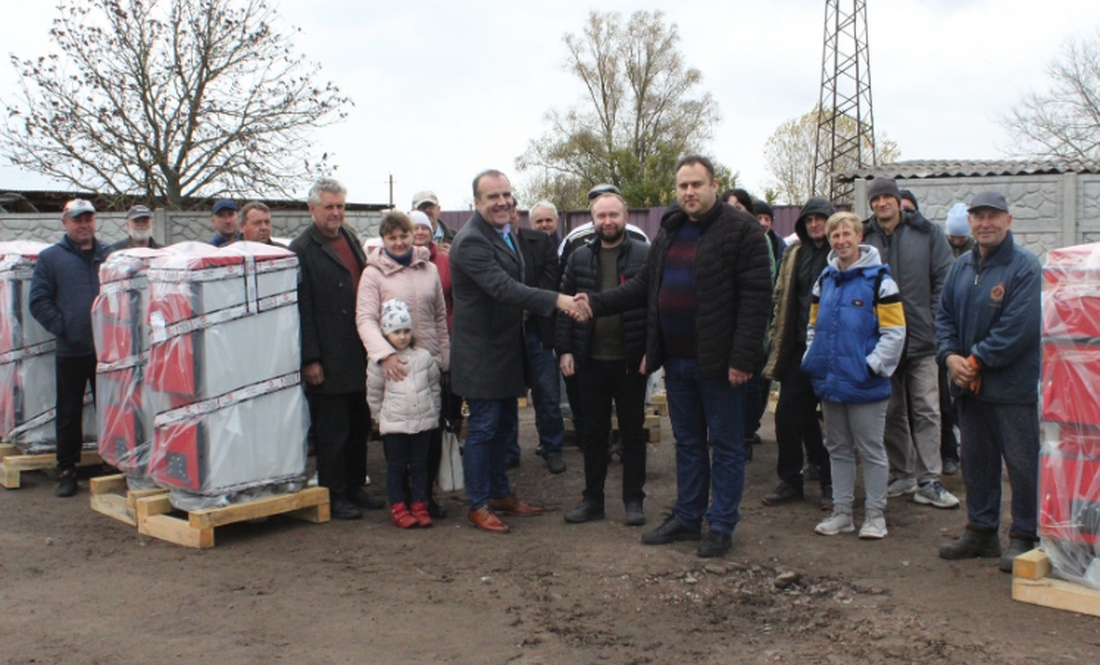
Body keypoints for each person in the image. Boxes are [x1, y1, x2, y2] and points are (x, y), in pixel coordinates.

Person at [588, 155, 772, 558]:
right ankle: (688, 517)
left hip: (722, 364)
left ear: (713, 185)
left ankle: (721, 524)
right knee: (687, 443)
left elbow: (757, 301)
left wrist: (743, 359)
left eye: (696, 185)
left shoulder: (742, 230)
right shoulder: (671, 230)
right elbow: (643, 285)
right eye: (683, 186)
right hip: (677, 359)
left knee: (724, 445)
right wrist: (595, 304)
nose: (689, 192)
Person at [448, 169, 589, 534]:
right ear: (477, 203)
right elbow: (504, 287)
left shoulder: (504, 233)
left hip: (507, 349)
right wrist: (557, 300)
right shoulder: (471, 242)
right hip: (481, 353)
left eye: (506, 194)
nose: (502, 202)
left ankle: (499, 493)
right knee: (483, 429)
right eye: (492, 196)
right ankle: (477, 503)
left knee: (504, 426)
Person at [935, 191, 1041, 572]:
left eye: (993, 216)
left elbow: (1020, 328)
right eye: (978, 216)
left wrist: (975, 361)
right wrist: (949, 358)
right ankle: (981, 532)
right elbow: (943, 317)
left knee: (1022, 463)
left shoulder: (1025, 267)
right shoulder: (960, 268)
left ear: (1009, 221)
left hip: (1012, 389)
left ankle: (1025, 536)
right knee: (976, 461)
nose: (985, 223)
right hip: (968, 386)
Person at [801, 212, 906, 539]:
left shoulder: (880, 281)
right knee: (838, 448)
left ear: (859, 237)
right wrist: (812, 356)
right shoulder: (825, 280)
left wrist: (872, 366)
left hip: (866, 383)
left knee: (871, 448)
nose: (841, 241)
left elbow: (895, 332)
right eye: (836, 236)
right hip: (831, 381)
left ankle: (875, 515)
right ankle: (842, 513)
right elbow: (813, 326)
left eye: (847, 234)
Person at [861, 177, 958, 509]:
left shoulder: (926, 233)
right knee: (891, 411)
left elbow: (944, 279)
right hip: (882, 341)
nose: (882, 203)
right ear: (871, 203)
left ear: (898, 200)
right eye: (877, 199)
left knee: (927, 409)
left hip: (921, 339)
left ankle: (929, 479)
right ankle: (902, 473)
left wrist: (931, 322)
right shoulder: (865, 236)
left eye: (888, 197)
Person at [290, 178, 384, 520]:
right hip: (328, 355)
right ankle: (335, 491)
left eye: (340, 206)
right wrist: (310, 358)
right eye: (329, 207)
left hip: (358, 348)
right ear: (312, 209)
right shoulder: (301, 249)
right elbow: (302, 308)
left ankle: (356, 485)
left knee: (359, 423)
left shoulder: (350, 238)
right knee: (333, 429)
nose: (335, 213)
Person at [557, 189, 649, 526]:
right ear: (591, 219)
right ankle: (592, 500)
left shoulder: (644, 255)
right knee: (593, 433)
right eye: (600, 215)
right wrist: (564, 348)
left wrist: (651, 352)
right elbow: (565, 306)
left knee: (633, 432)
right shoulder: (579, 258)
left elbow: (654, 307)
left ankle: (633, 500)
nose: (607, 221)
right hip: (589, 360)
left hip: (631, 360)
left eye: (613, 215)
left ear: (626, 217)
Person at [357, 210, 450, 518]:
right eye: (391, 237)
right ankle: (402, 500)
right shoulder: (373, 273)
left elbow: (439, 314)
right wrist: (383, 355)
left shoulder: (429, 269)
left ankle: (425, 497)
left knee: (429, 433)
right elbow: (366, 319)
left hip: (427, 360)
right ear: (383, 240)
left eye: (403, 236)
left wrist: (442, 356)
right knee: (400, 441)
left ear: (414, 235)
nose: (399, 242)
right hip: (394, 364)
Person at [29, 199, 112, 497]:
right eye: (77, 219)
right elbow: (38, 301)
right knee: (68, 412)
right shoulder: (51, 258)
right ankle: (67, 470)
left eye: (88, 218)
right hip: (72, 350)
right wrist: (64, 327)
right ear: (65, 222)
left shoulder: (109, 255)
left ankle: (113, 463)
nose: (83, 224)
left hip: (108, 351)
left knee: (112, 408)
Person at [762, 197, 836, 510]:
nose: (815, 224)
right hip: (798, 349)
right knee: (788, 417)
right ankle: (791, 481)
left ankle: (833, 486)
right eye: (809, 220)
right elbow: (780, 296)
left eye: (820, 219)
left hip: (834, 352)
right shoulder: (795, 254)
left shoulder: (842, 254)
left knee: (835, 424)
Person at [367, 298, 442, 529]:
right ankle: (398, 507)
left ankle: (420, 505)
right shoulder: (379, 362)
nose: (402, 336)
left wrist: (434, 413)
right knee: (397, 467)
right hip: (395, 426)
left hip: (423, 423)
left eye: (406, 330)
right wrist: (380, 419)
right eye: (396, 331)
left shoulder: (424, 358)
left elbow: (434, 387)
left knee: (421, 466)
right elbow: (374, 393)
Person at [516, 205, 567, 473]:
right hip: (509, 329)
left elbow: (551, 283)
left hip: (540, 328)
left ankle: (552, 447)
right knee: (506, 393)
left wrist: (528, 305)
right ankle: (509, 451)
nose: (544, 225)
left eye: (549, 220)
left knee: (547, 392)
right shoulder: (501, 245)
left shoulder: (550, 246)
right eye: (539, 220)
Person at [938, 202, 973, 476]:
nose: (958, 240)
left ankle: (962, 445)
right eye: (954, 236)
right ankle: (949, 447)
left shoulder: (976, 252)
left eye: (962, 236)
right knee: (942, 398)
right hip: (945, 329)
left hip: (969, 330)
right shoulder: (941, 248)